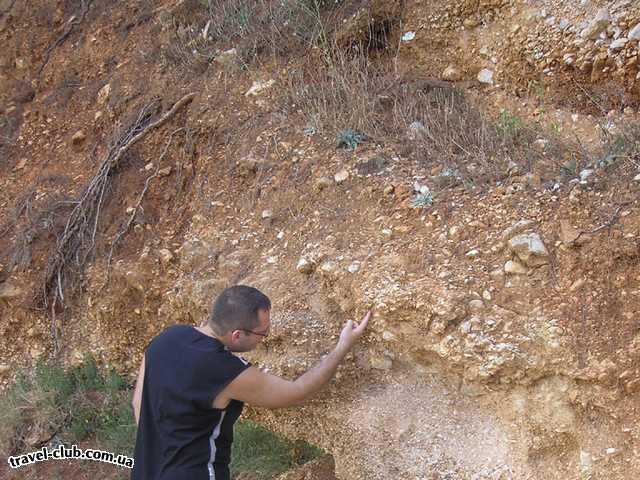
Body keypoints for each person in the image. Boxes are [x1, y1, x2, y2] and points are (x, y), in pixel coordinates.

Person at [131, 284, 370, 480]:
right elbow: (296, 392)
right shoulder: (223, 370)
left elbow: (137, 403)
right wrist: (342, 348)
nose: (263, 340)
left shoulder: (165, 339)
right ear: (237, 334)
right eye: (262, 334)